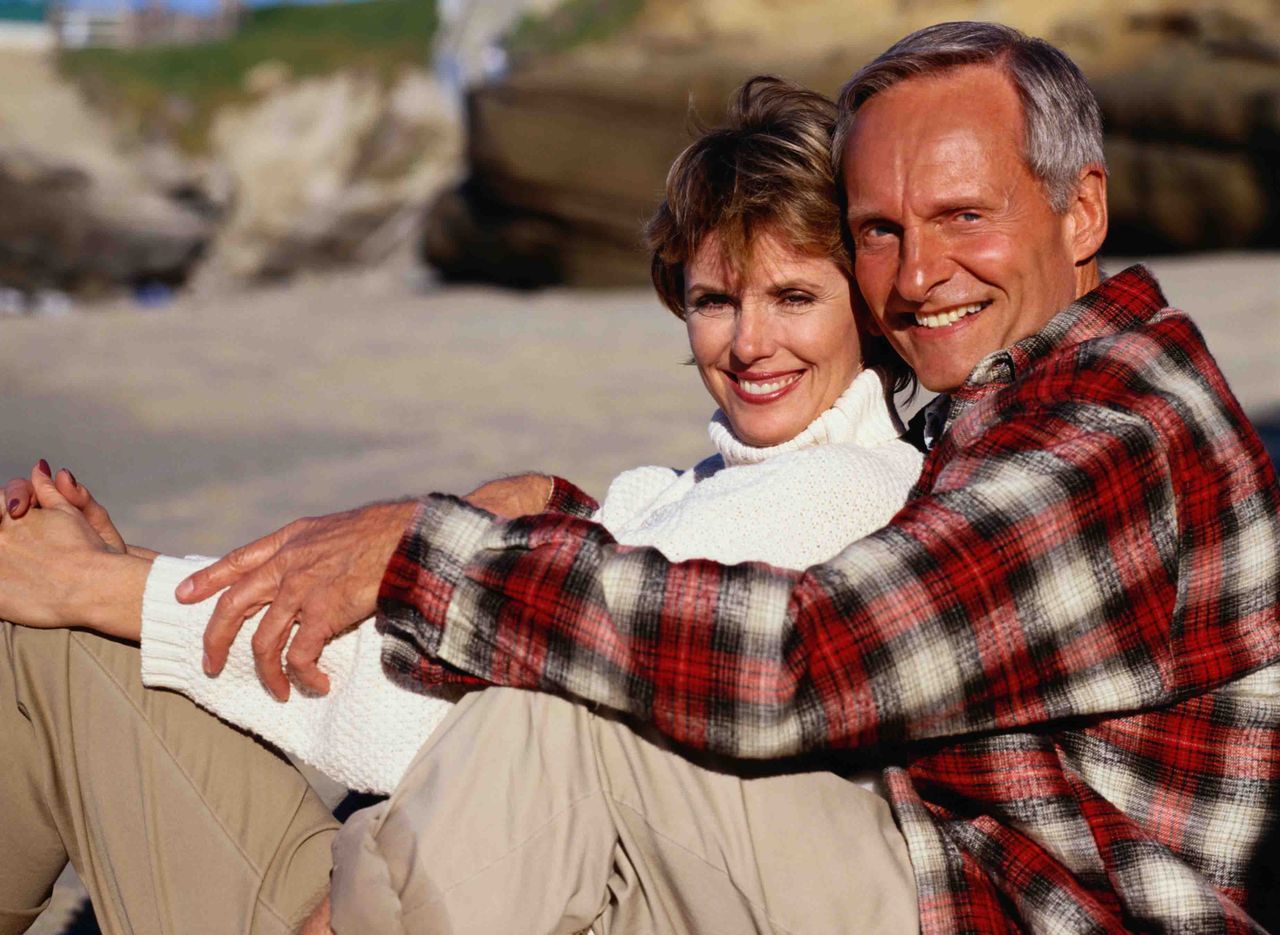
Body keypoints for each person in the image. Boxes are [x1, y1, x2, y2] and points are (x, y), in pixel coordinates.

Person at [105, 20, 1275, 934]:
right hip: (932, 864)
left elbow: (795, 658)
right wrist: (552, 515)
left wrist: (428, 547)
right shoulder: (1017, 401)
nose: (917, 273)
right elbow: (890, 592)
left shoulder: (1110, 444)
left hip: (1016, 904)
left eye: (962, 215)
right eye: (877, 229)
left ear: (1081, 211)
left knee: (575, 706)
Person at [0, 79, 927, 932]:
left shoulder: (842, 494)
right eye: (716, 299)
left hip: (413, 902)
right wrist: (126, 592)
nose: (751, 341)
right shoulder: (685, 491)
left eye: (795, 296)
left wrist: (112, 588)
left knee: (55, 637)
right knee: (67, 638)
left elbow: (432, 732)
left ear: (870, 307)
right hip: (399, 878)